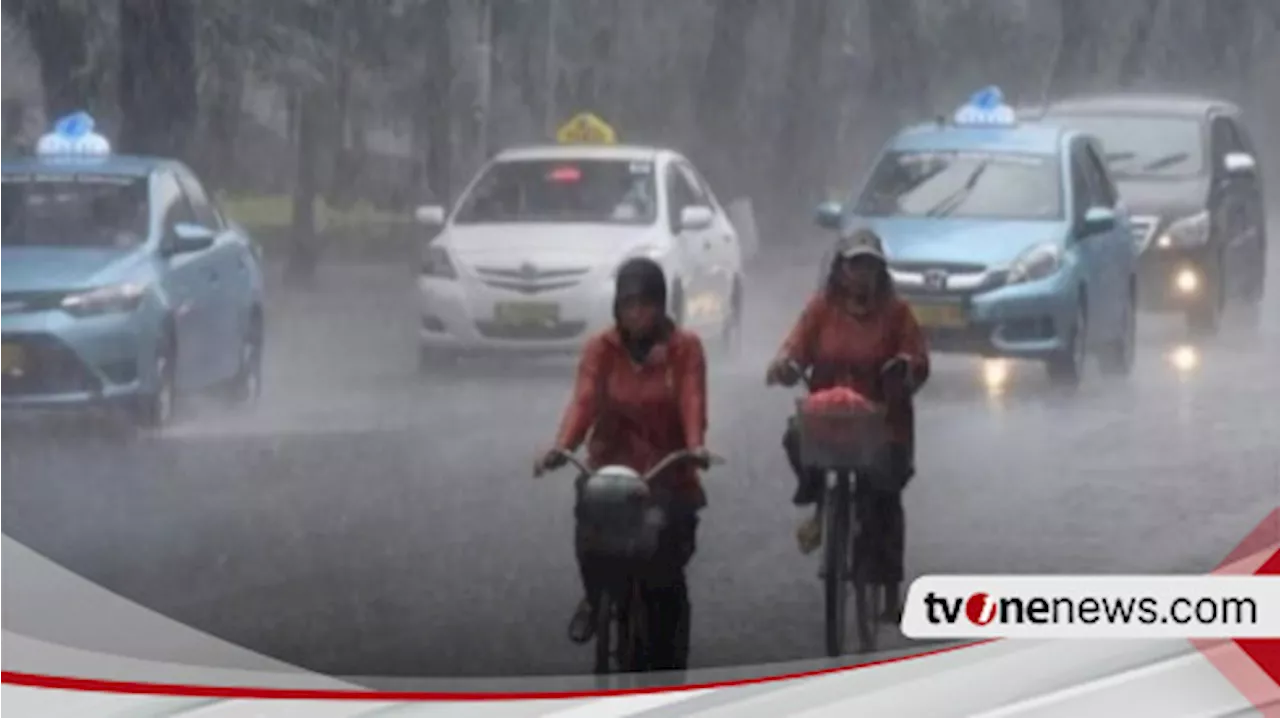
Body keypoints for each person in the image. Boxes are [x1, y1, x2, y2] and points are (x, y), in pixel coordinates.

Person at [534, 256, 712, 671]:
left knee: (665, 571)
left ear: (661, 306)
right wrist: (562, 447)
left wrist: (695, 445)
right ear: (617, 307)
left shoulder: (685, 349)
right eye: (629, 304)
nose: (637, 313)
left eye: (646, 304)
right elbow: (584, 401)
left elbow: (691, 399)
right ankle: (595, 598)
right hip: (611, 470)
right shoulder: (601, 348)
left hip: (667, 472)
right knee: (590, 527)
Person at [765, 227, 930, 623]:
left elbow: (918, 361)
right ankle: (820, 498)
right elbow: (795, 348)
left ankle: (889, 590)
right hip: (829, 423)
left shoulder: (898, 313)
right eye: (855, 265)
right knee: (793, 436)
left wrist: (905, 369)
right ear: (840, 269)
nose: (862, 274)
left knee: (884, 499)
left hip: (882, 424)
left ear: (880, 272)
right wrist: (784, 365)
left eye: (870, 266)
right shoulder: (821, 309)